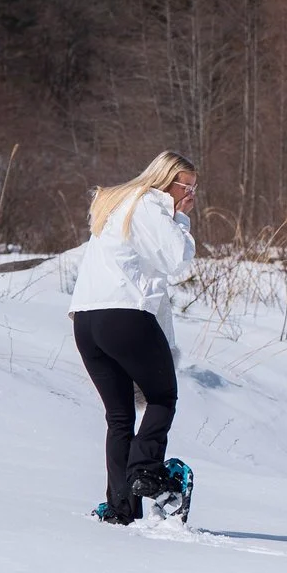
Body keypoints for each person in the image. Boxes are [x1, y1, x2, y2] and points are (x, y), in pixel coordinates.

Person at [68, 151, 198, 524]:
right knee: (163, 397)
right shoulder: (152, 205)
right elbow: (177, 259)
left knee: (120, 416)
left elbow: (153, 280)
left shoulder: (118, 205)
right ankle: (144, 471)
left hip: (86, 320)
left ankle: (121, 508)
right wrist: (182, 216)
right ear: (165, 179)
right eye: (185, 186)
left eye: (194, 189)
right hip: (123, 316)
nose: (189, 194)